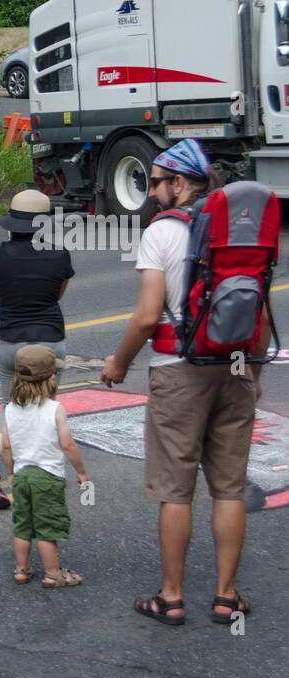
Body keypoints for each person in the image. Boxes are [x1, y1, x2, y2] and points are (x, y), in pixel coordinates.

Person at [101, 139, 269, 626]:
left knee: (177, 491)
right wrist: (252, 377)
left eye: (156, 183)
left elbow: (148, 316)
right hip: (235, 368)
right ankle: (225, 596)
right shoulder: (238, 234)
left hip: (178, 371)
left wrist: (118, 364)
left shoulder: (161, 234)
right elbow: (257, 312)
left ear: (179, 183)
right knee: (229, 488)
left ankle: (171, 597)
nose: (151, 193)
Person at [0, 189, 75, 510]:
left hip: (9, 343)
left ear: (11, 223)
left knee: (9, 409)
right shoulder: (60, 256)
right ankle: (32, 479)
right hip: (49, 342)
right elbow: (56, 297)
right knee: (42, 413)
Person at [0, 346, 88, 588]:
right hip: (47, 478)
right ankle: (52, 573)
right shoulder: (55, 410)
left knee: (22, 526)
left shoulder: (10, 409)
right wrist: (81, 471)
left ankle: (21, 569)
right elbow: (67, 444)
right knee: (46, 527)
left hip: (22, 475)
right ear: (51, 378)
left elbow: (6, 446)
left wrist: (10, 473)